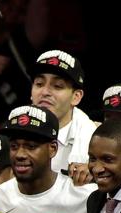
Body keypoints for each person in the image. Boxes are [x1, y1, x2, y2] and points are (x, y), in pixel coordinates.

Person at [28, 49, 95, 177]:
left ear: (76, 97)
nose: (45, 92)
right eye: (39, 84)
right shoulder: (11, 133)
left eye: (57, 86)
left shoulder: (94, 143)